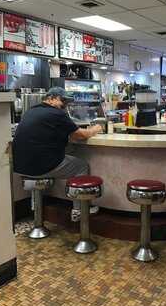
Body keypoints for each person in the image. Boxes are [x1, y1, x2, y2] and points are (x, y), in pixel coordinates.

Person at [13, 87, 102, 221]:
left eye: (66, 102)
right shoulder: (57, 114)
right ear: (50, 98)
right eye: (62, 101)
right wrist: (96, 128)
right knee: (81, 166)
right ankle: (79, 210)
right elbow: (81, 135)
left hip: (20, 167)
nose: (64, 105)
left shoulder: (30, 111)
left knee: (55, 156)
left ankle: (34, 206)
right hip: (41, 168)